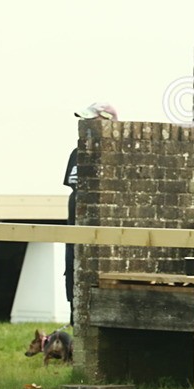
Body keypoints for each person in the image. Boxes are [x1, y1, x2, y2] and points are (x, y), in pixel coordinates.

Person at [65, 102, 118, 325]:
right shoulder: (76, 153)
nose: (85, 125)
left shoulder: (117, 154)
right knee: (71, 275)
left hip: (97, 235)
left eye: (91, 120)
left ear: (106, 121)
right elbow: (73, 191)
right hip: (73, 230)